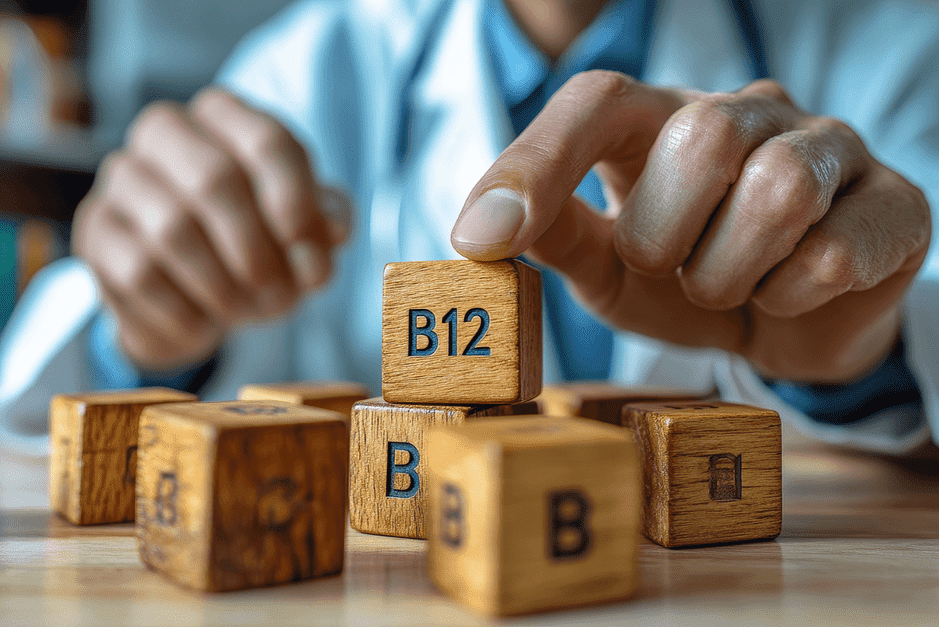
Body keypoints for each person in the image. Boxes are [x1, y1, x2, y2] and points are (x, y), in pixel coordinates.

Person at [1, 0, 938, 497]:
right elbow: (44, 398)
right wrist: (148, 328)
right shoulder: (314, 56)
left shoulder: (896, 43)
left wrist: (862, 361)